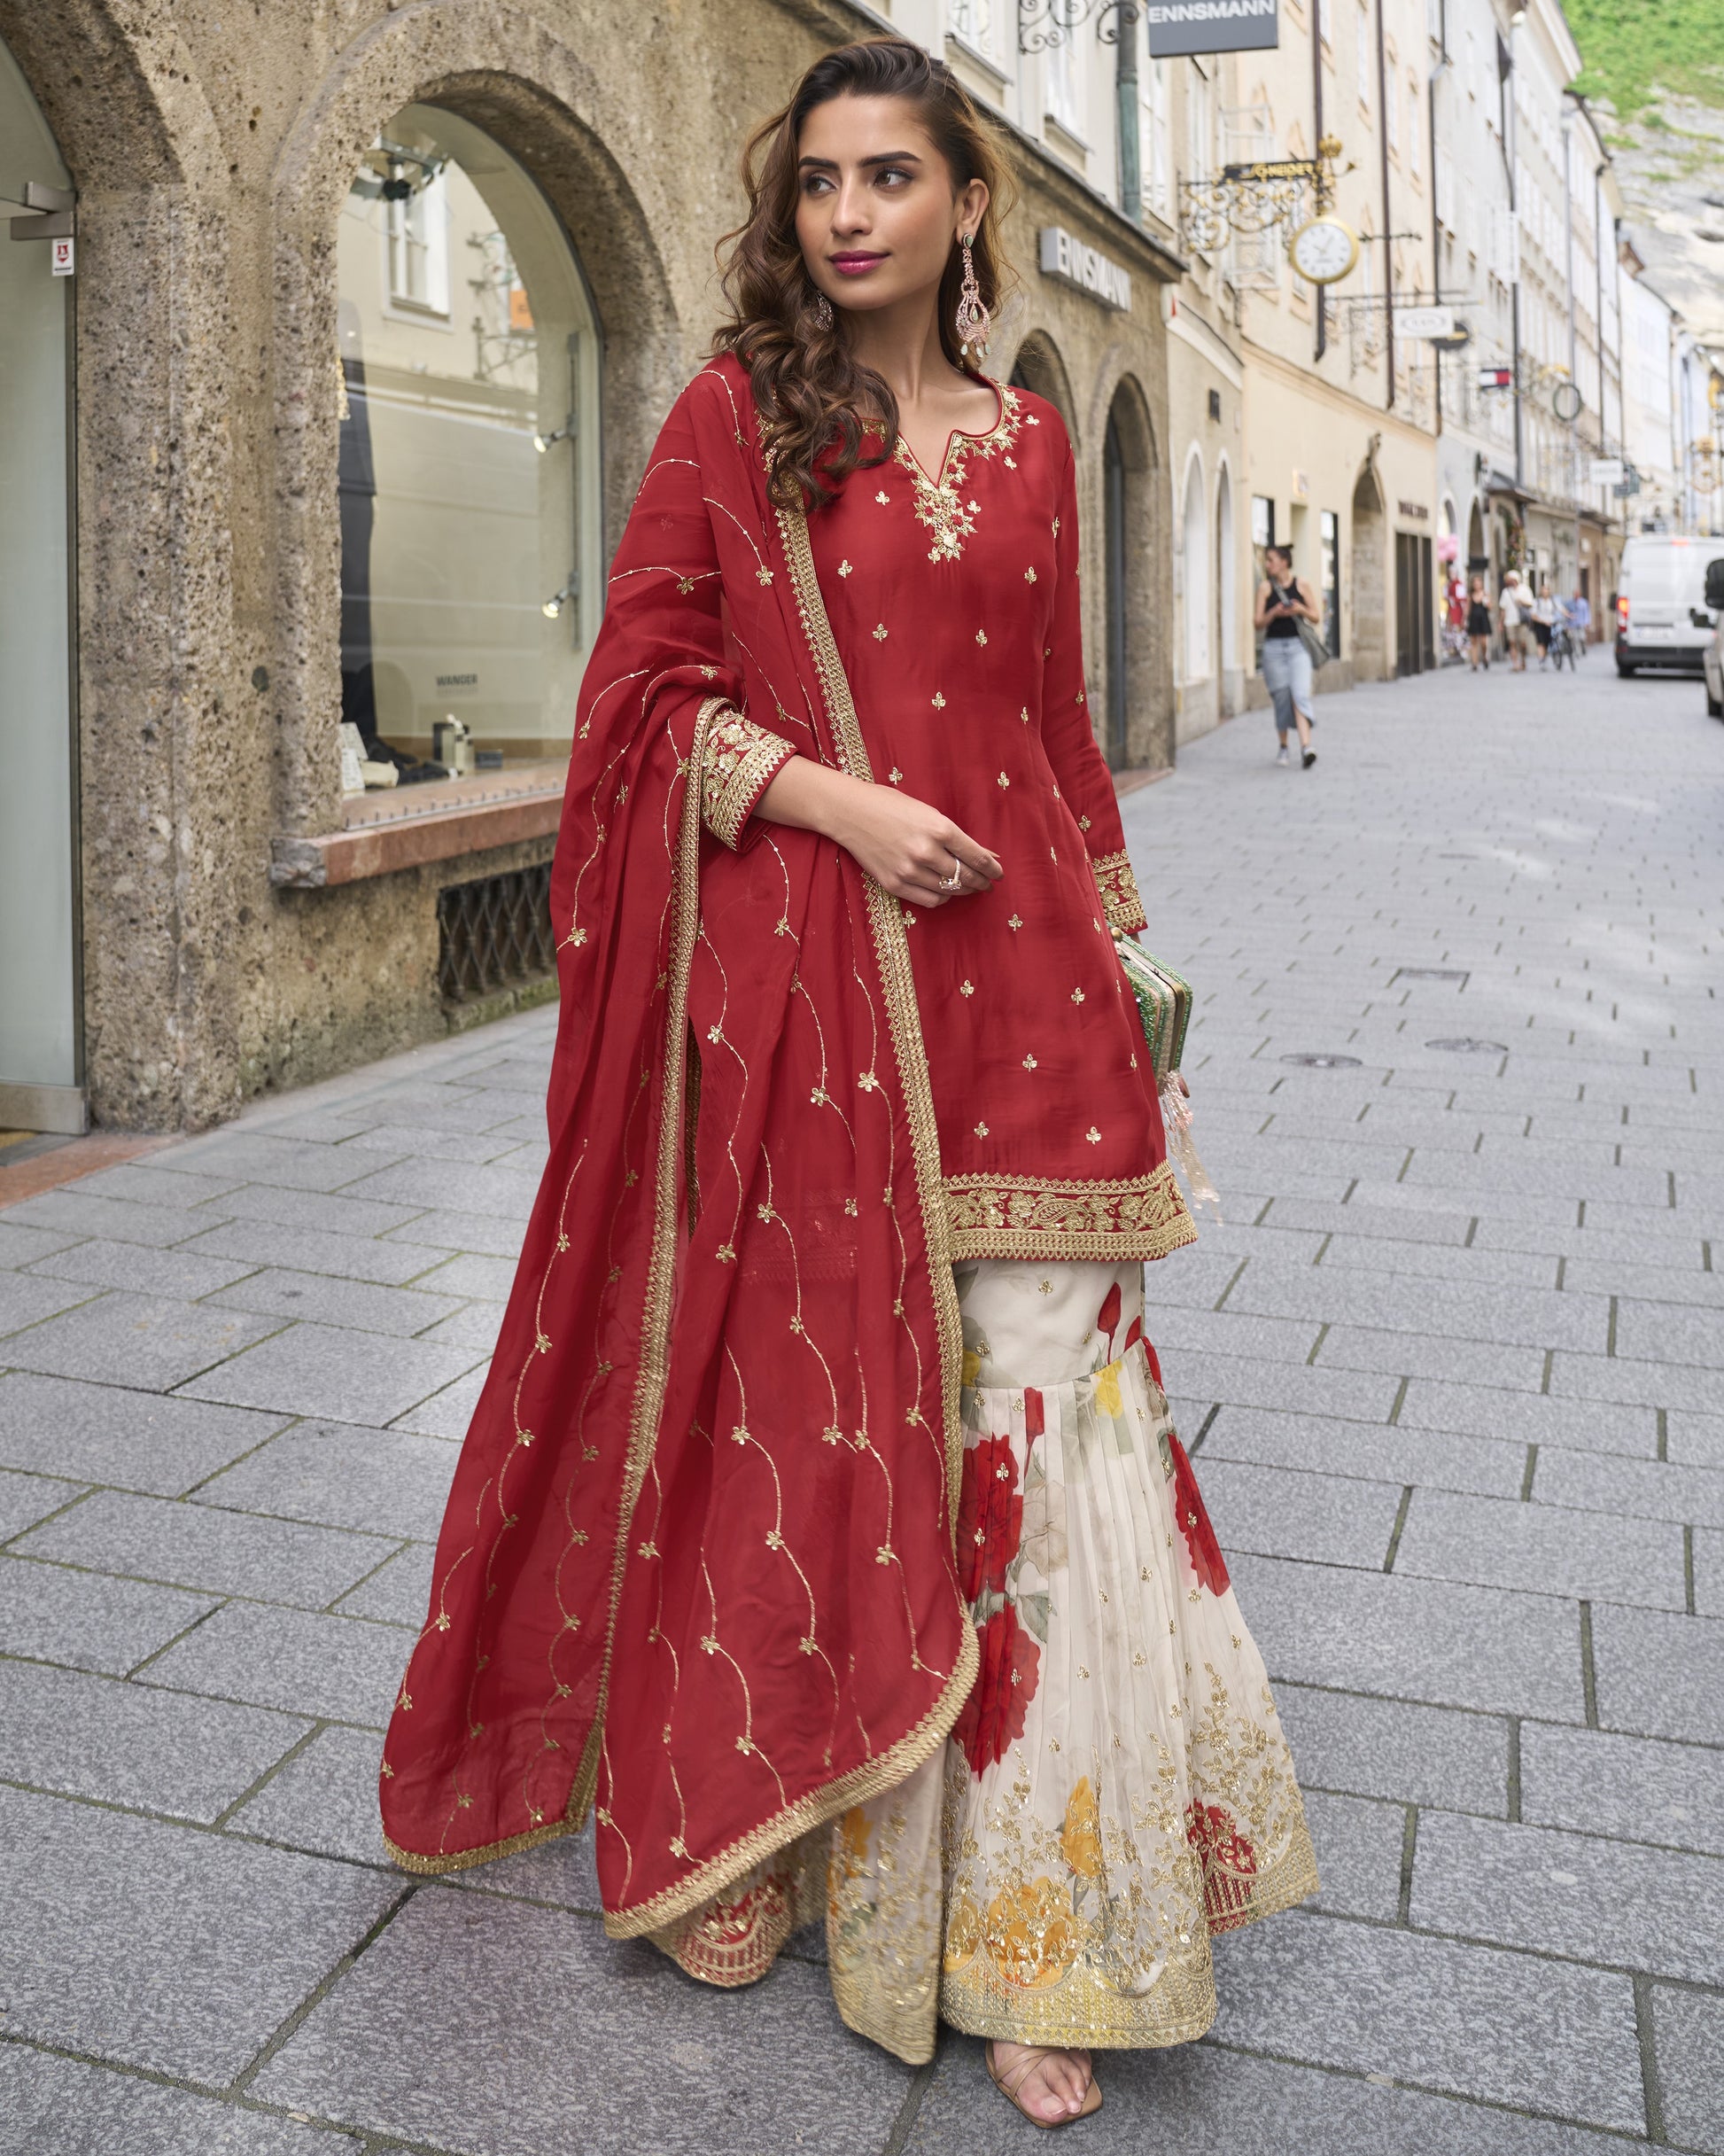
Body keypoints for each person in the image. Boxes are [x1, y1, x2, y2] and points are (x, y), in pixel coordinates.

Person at [379, 35, 1316, 2132]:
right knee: (828, 1418)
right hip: (828, 1016)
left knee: (1044, 1450)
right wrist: (834, 802)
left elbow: (1058, 735)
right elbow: (638, 703)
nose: (851, 213)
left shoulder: (1036, 438)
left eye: (892, 175)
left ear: (970, 201)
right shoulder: (741, 420)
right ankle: (796, 1829)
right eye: (819, 180)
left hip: (1035, 1005)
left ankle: (1044, 1933)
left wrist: (1133, 966)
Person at [1254, 542, 1320, 767]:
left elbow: (1316, 617)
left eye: (1271, 560)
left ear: (1284, 562)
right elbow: (1257, 623)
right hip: (1273, 649)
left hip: (1298, 647)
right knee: (1281, 698)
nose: (1267, 565)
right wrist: (1274, 612)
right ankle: (1283, 746)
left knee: (1300, 694)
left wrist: (1299, 609)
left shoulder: (1302, 585)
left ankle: (1306, 747)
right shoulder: (1265, 588)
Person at [1498, 569, 1530, 671]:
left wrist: (1522, 602)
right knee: (1512, 642)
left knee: (1522, 642)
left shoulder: (1525, 589)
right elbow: (1503, 608)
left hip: (1522, 620)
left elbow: (1531, 604)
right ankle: (1515, 664)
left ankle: (1523, 660)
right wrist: (1501, 623)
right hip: (1509, 621)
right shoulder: (1505, 592)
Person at [1465, 573, 1492, 670]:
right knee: (1474, 642)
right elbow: (1467, 609)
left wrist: (1487, 602)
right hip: (1473, 620)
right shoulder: (1470, 595)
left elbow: (1490, 607)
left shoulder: (1485, 594)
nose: (1476, 584)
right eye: (1475, 583)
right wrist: (1465, 620)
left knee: (1483, 642)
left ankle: (1484, 657)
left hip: (1483, 620)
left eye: (1478, 582)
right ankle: (1475, 663)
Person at [1530, 578, 1557, 667]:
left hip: (1549, 624)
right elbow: (1533, 615)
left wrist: (1568, 614)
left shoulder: (1552, 601)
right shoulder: (1537, 602)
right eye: (1543, 590)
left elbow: (1560, 608)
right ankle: (1541, 660)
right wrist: (1543, 622)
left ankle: (1543, 658)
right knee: (1540, 643)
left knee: (1546, 643)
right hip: (1539, 625)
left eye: (1546, 590)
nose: (1545, 592)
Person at [1568, 587, 1591, 657]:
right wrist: (1568, 624)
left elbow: (1587, 613)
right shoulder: (1570, 603)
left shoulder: (1584, 603)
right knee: (1575, 639)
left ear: (1579, 594)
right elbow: (1568, 613)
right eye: (1575, 594)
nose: (1576, 595)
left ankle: (1583, 647)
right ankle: (1577, 652)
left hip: (1581, 623)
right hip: (1573, 624)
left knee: (1582, 637)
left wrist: (1587, 622)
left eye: (1577, 594)